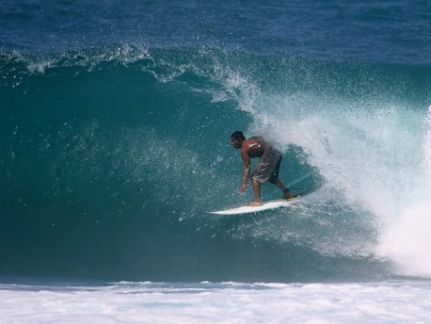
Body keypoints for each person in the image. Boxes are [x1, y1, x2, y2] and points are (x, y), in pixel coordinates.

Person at [230, 131, 294, 206]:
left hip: (269, 154)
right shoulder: (252, 139)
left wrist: (244, 183)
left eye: (234, 141)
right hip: (276, 151)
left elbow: (247, 167)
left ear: (239, 139)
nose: (232, 143)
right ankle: (287, 193)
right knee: (272, 177)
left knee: (255, 178)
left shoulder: (244, 149)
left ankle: (258, 201)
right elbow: (263, 141)